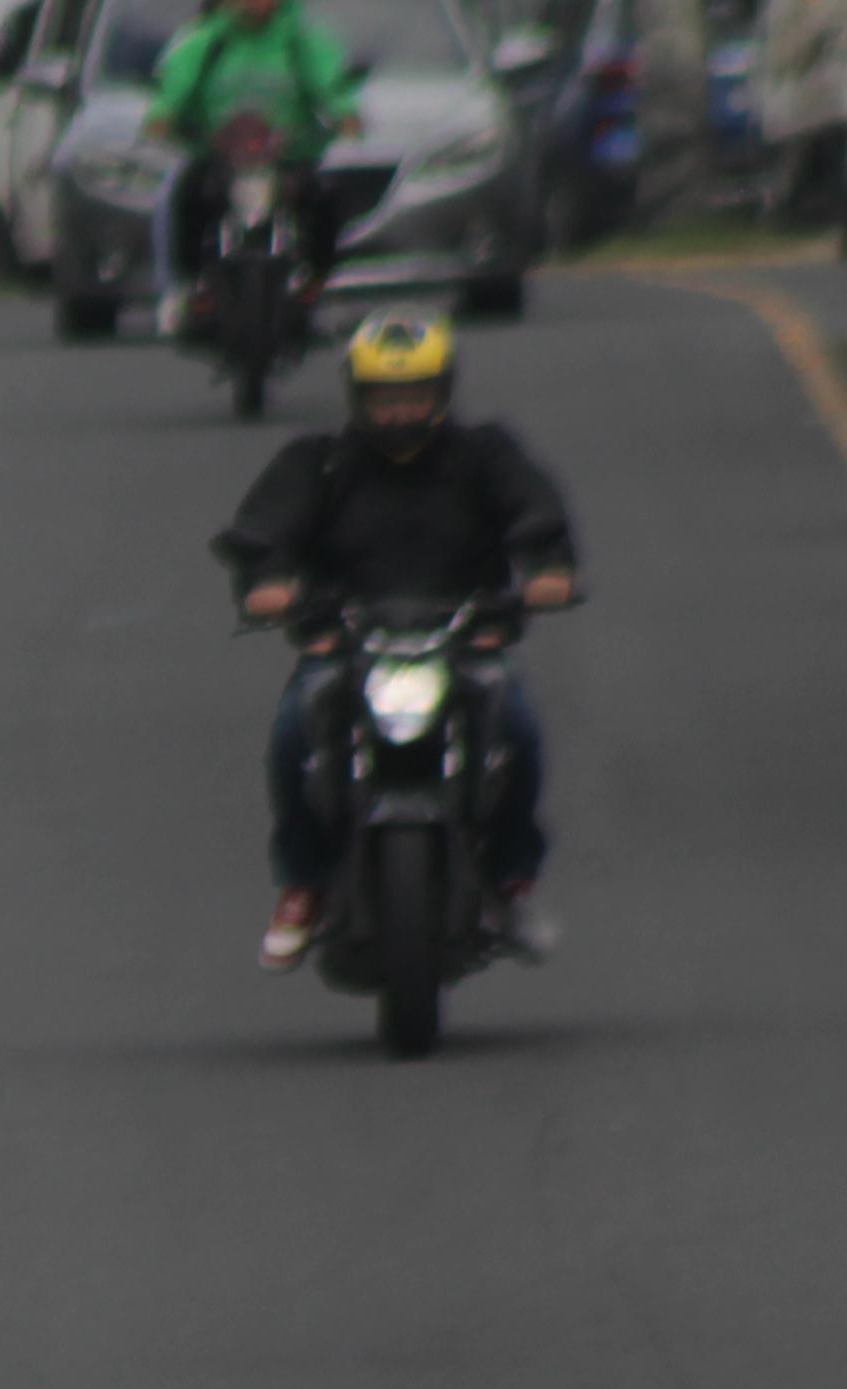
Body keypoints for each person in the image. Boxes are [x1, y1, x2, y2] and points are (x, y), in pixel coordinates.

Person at [214, 317, 582, 970]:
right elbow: (264, 531)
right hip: (349, 643)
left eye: (414, 394)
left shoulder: (486, 455)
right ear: (359, 396)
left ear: (442, 393)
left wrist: (545, 572)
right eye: (385, 396)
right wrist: (272, 584)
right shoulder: (319, 462)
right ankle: (301, 886)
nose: (400, 410)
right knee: (294, 732)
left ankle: (512, 881)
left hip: (466, 641)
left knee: (518, 731)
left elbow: (536, 513)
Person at [142, 0, 363, 335]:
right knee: (188, 194)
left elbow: (331, 85)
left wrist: (345, 114)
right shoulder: (207, 41)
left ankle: (314, 286)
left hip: (287, 161)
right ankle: (191, 287)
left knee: (325, 196)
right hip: (221, 160)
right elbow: (175, 87)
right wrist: (162, 116)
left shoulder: (299, 40)